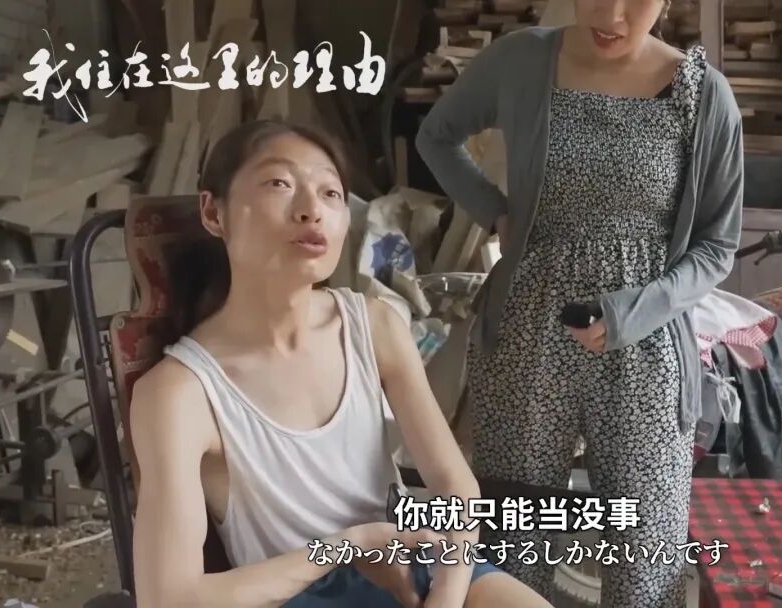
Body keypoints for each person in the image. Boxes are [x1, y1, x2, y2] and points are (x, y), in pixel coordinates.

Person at [128, 119, 554, 608]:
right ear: (213, 212)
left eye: (331, 193)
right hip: (298, 592)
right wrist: (349, 546)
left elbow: (454, 485)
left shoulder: (373, 324)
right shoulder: (179, 392)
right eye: (279, 183)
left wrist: (447, 595)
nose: (311, 210)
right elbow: (169, 598)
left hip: (417, 564)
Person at [415, 0, 744, 605]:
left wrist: (632, 313)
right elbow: (436, 136)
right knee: (515, 543)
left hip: (647, 345)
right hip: (524, 335)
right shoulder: (522, 59)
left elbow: (716, 246)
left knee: (647, 553)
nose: (611, 14)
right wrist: (494, 211)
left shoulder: (704, 95)